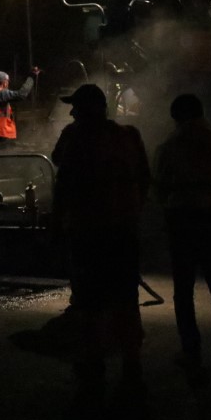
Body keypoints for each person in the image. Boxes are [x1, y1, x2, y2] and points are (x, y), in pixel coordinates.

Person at [51, 84, 150, 400]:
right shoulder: (130, 136)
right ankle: (131, 362)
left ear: (85, 109)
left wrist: (56, 223)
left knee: (89, 300)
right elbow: (145, 179)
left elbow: (61, 177)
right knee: (125, 297)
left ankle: (92, 364)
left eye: (75, 107)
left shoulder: (75, 136)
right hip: (123, 231)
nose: (71, 112)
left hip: (87, 232)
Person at [153, 94, 211, 372]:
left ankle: (191, 351)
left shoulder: (169, 147)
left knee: (183, 290)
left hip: (182, 219)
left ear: (176, 117)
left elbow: (160, 188)